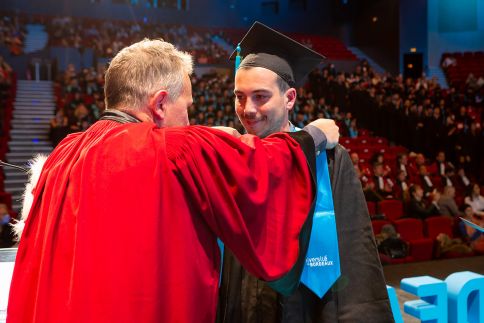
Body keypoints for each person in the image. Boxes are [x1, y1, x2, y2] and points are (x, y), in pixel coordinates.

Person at [7, 38, 340, 323]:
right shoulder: (175, 149)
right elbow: (264, 165)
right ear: (161, 103)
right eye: (188, 106)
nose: (190, 119)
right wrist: (312, 136)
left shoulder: (64, 154)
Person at [217, 22, 392, 323]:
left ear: (290, 99)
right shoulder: (233, 156)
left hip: (308, 304)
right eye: (239, 96)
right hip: (246, 305)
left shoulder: (329, 158)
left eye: (260, 96)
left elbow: (353, 249)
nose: (247, 109)